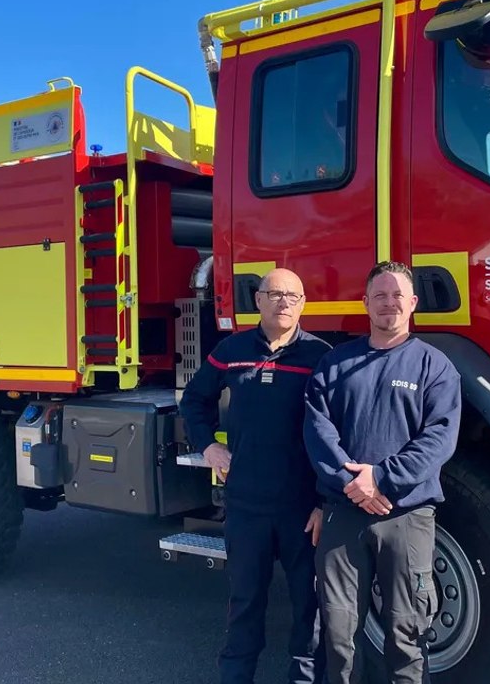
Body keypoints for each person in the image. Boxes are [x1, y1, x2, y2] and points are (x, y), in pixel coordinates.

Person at [303, 261, 462, 684]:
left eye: (397, 296)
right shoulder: (334, 365)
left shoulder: (435, 367)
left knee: (407, 632)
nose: (388, 303)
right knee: (338, 635)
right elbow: (318, 432)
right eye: (380, 295)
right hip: (343, 514)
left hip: (407, 517)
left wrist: (381, 479)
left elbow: (439, 440)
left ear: (412, 304)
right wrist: (353, 484)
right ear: (365, 303)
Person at [179, 268, 331, 684]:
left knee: (309, 607)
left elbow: (339, 433)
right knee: (246, 603)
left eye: (293, 296)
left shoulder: (320, 356)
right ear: (258, 300)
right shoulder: (232, 349)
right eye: (275, 293)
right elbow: (194, 400)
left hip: (302, 508)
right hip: (246, 504)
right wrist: (207, 445)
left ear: (303, 304)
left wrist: (323, 502)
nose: (284, 302)